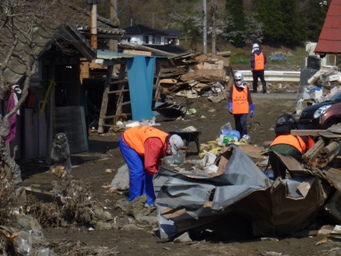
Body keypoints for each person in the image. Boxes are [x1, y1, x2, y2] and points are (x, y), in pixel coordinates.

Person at [119, 126, 184, 206]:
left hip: (142, 142)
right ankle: (134, 203)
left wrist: (157, 172)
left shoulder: (165, 141)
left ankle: (148, 201)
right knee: (138, 171)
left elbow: (155, 162)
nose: (170, 153)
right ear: (169, 144)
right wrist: (159, 176)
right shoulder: (155, 142)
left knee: (150, 173)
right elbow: (149, 166)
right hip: (128, 141)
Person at [227, 72, 254, 138]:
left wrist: (252, 109)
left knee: (243, 123)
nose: (237, 82)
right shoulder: (233, 88)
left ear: (242, 79)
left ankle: (244, 136)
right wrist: (230, 106)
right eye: (236, 80)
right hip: (236, 110)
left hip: (244, 110)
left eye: (239, 80)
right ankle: (239, 138)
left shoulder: (246, 88)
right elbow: (230, 98)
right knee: (238, 125)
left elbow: (249, 99)